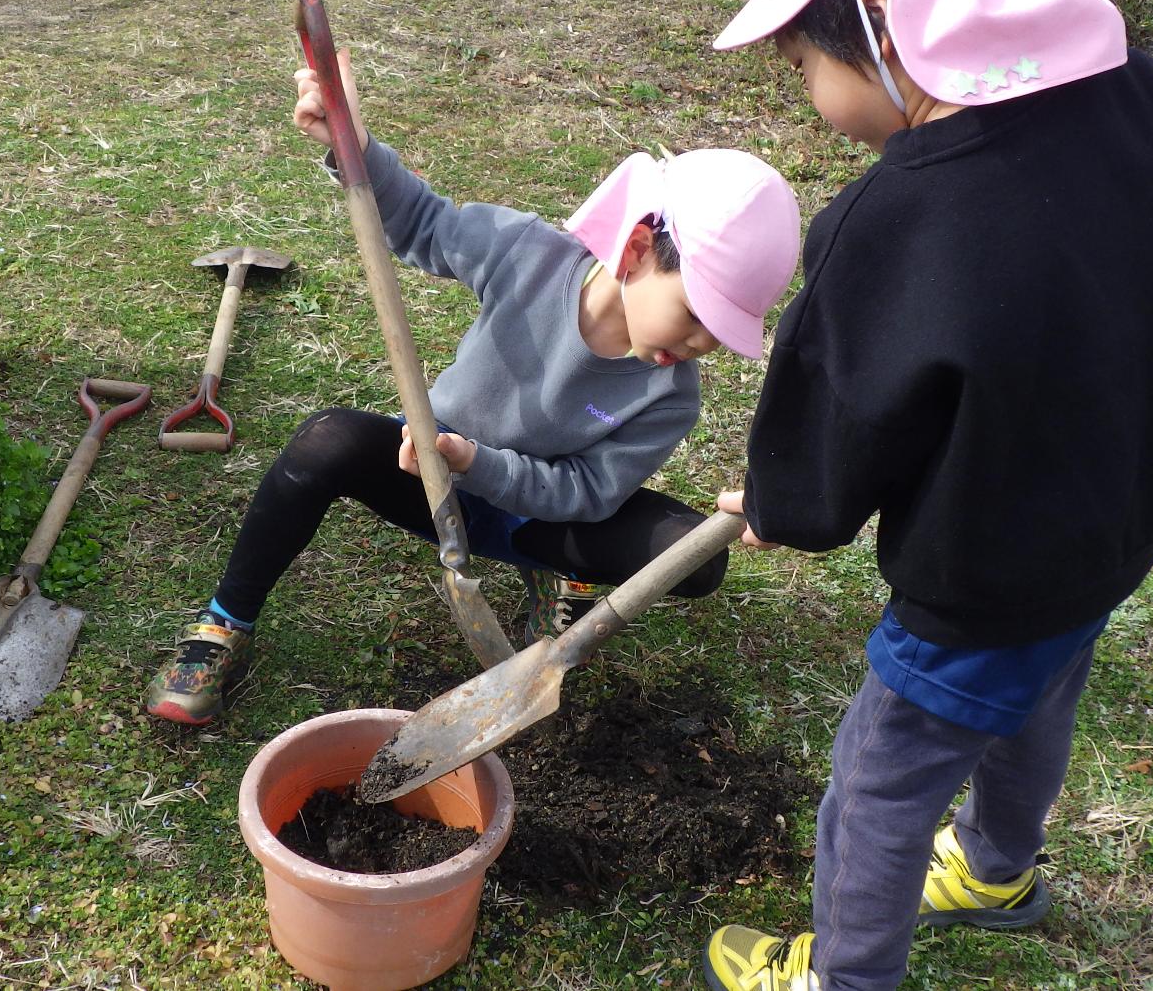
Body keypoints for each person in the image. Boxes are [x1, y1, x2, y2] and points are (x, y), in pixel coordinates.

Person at [697, 0, 1153, 987]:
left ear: (881, 13)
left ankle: (841, 978)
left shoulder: (900, 217)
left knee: (879, 785)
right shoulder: (1130, 95)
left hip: (977, 579)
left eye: (801, 63)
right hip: (1109, 531)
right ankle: (993, 869)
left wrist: (786, 505)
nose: (807, 93)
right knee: (1036, 695)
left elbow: (839, 421)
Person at [144, 53, 802, 726]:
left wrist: (479, 460)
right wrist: (354, 142)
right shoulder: (530, 255)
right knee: (326, 439)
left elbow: (584, 492)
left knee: (695, 560)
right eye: (696, 315)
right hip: (431, 480)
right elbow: (425, 223)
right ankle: (222, 627)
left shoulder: (670, 394)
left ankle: (553, 572)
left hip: (543, 521)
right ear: (636, 249)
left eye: (721, 332)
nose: (699, 344)